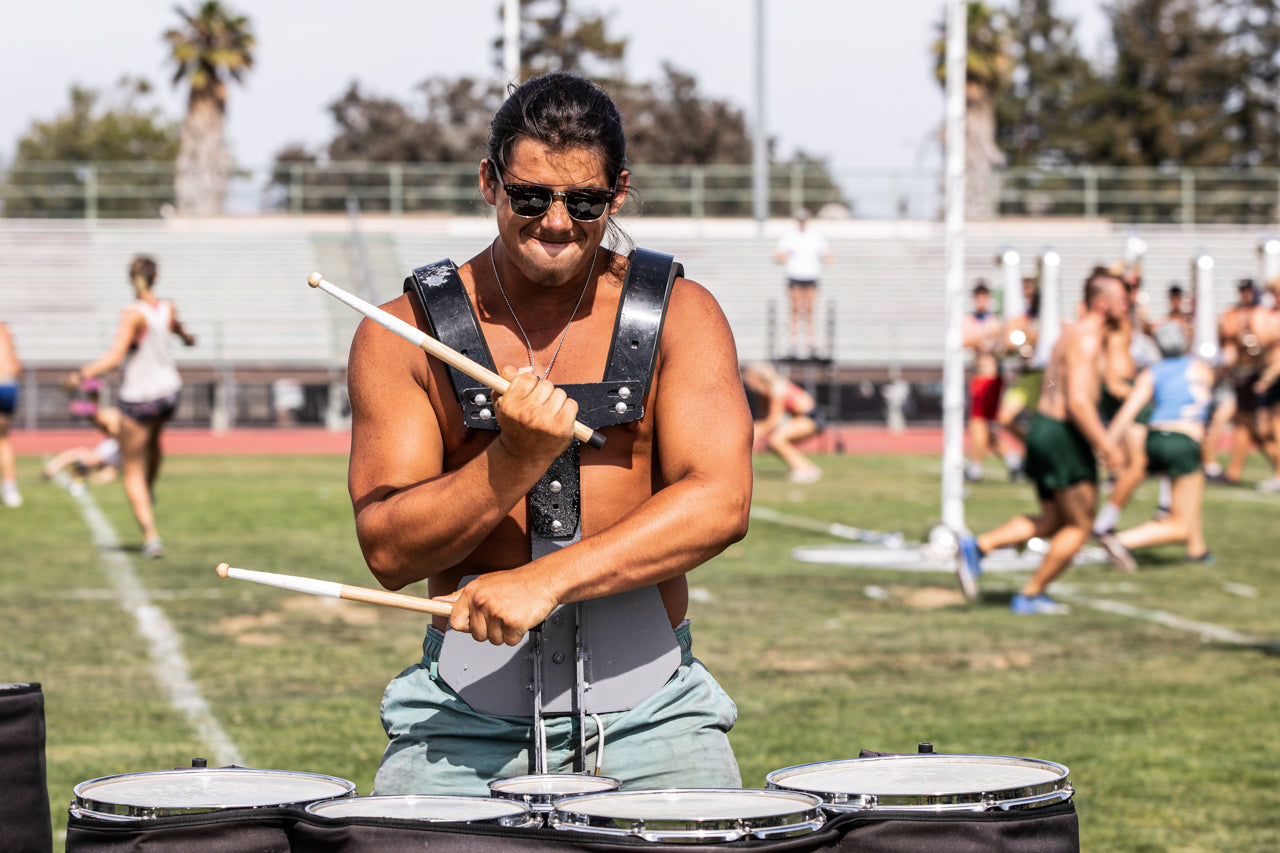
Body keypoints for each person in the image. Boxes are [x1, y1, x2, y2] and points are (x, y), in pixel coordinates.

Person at [346, 72, 753, 796]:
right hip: (462, 716)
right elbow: (388, 549)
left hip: (653, 710)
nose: (557, 222)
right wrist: (515, 458)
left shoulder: (682, 314)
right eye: (530, 196)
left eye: (585, 201)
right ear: (488, 182)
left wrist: (546, 580)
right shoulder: (401, 331)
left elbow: (721, 500)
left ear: (618, 192)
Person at [956, 268, 1128, 614]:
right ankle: (1031, 594)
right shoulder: (1087, 337)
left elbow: (1053, 383)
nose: (1129, 305)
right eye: (1123, 299)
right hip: (1063, 434)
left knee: (1053, 519)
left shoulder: (1070, 334)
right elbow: (1078, 400)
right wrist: (1106, 444)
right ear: (1102, 303)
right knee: (1080, 525)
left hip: (1045, 428)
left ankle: (980, 546)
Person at [69, 256, 196, 558]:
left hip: (139, 398)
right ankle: (149, 488)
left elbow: (114, 357)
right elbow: (182, 332)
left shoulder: (132, 314)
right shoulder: (168, 307)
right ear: (157, 276)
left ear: (131, 279)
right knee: (153, 442)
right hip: (169, 394)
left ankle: (151, 536)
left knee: (132, 470)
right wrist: (189, 339)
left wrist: (81, 374)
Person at [1100, 322, 1215, 566]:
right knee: (1180, 524)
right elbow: (1204, 406)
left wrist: (1107, 443)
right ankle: (1120, 540)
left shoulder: (1151, 372)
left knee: (1187, 499)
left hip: (1155, 438)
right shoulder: (1200, 368)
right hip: (1184, 439)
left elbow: (1128, 411)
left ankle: (1197, 549)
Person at [1216, 279, 1278, 487]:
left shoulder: (1264, 314)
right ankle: (1238, 472)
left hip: (1267, 376)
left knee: (1270, 428)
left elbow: (1268, 346)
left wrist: (1267, 378)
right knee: (1255, 428)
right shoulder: (1254, 313)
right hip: (1259, 375)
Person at [742, 361, 823, 483]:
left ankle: (805, 470)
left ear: (757, 378)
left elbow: (773, 420)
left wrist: (753, 437)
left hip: (810, 417)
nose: (747, 384)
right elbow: (762, 419)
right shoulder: (764, 394)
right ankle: (807, 469)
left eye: (749, 379)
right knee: (776, 442)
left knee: (777, 440)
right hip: (799, 418)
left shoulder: (777, 389)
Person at [42, 379, 123, 496]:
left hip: (119, 449)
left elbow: (120, 435)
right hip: (115, 448)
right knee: (80, 457)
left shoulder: (108, 416)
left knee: (89, 462)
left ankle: (59, 471)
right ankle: (51, 470)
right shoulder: (102, 414)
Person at [774, 208, 833, 358]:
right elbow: (778, 255)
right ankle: (793, 343)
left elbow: (826, 253)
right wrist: (785, 257)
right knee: (794, 311)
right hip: (795, 276)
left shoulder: (815, 236)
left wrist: (829, 259)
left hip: (811, 276)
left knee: (809, 311)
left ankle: (810, 343)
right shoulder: (790, 236)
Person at [962, 280, 1006, 482]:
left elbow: (1003, 343)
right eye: (978, 296)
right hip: (978, 374)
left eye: (984, 297)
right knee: (986, 427)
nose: (981, 301)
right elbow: (966, 340)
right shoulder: (971, 320)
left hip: (990, 376)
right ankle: (1014, 461)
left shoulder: (994, 321)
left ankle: (976, 467)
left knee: (978, 424)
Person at [0, 322, 21, 508]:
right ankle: (10, 489)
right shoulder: (4, 328)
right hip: (9, 384)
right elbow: (16, 366)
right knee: (3, 439)